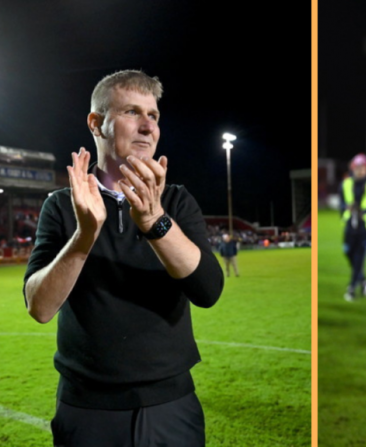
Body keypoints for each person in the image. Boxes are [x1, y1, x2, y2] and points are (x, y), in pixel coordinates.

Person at [23, 70, 224, 446]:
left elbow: (208, 290)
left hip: (170, 403)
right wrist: (84, 235)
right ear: (96, 124)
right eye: (133, 112)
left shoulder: (177, 202)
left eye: (154, 115)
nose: (148, 127)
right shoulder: (61, 206)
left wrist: (153, 220)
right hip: (87, 409)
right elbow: (40, 307)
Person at [340, 153, 366, 301]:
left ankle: (351, 287)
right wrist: (346, 209)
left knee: (359, 257)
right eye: (357, 167)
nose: (360, 170)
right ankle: (363, 281)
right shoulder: (346, 184)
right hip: (350, 224)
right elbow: (341, 202)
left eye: (362, 167)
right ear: (352, 168)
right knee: (348, 252)